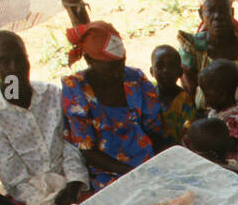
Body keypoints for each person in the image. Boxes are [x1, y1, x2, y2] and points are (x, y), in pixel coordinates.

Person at [0, 31, 89, 205]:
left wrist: (74, 184)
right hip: (31, 202)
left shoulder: (52, 94)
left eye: (20, 59)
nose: (15, 68)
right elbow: (13, 176)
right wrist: (46, 204)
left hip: (73, 186)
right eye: (4, 61)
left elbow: (71, 144)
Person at [61, 21, 165, 191]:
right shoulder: (76, 90)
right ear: (89, 60)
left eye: (121, 64)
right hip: (109, 172)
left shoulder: (134, 78)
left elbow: (154, 129)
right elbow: (87, 150)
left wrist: (160, 161)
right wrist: (131, 173)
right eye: (110, 68)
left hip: (146, 161)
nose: (118, 73)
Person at [200, 60, 238, 166]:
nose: (204, 99)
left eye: (206, 95)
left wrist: (203, 140)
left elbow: (230, 145)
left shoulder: (233, 118)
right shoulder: (219, 110)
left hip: (234, 163)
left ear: (222, 95)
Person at [151, 45, 194, 145]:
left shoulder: (184, 99)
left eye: (171, 66)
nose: (166, 70)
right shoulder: (148, 97)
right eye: (160, 66)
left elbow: (188, 127)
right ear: (152, 71)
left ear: (180, 72)